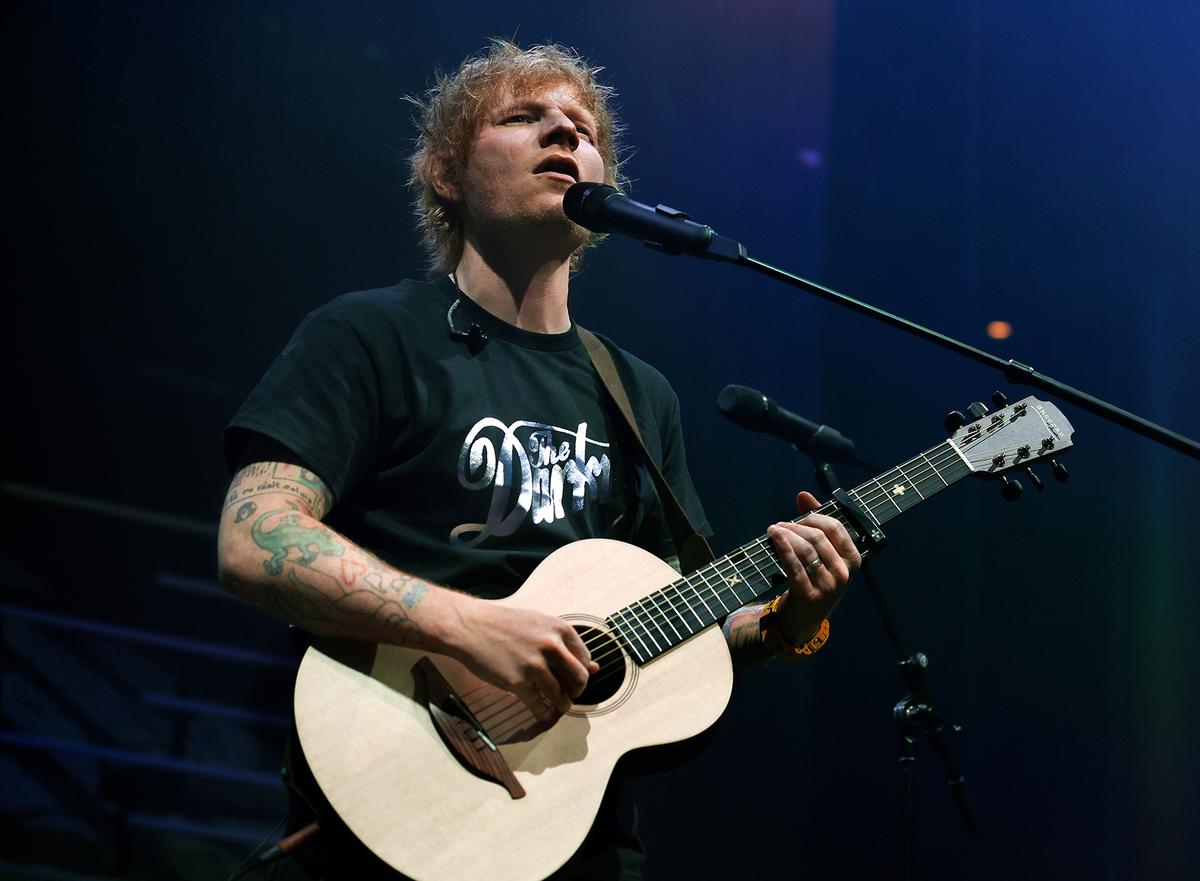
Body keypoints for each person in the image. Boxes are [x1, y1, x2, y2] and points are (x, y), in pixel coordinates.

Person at [217, 39, 860, 881]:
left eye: (582, 128)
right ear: (447, 174)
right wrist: (469, 626)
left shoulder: (637, 392)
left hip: (575, 832)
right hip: (393, 794)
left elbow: (680, 621)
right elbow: (255, 538)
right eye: (525, 118)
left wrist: (787, 622)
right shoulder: (369, 335)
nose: (564, 132)